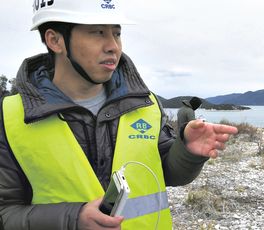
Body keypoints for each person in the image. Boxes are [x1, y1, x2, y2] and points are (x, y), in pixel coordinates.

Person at [0, 0, 238, 229]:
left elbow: (164, 172)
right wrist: (74, 219)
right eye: (98, 32)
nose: (113, 46)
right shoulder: (11, 118)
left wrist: (187, 151)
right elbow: (6, 213)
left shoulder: (144, 104)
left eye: (116, 33)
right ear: (55, 40)